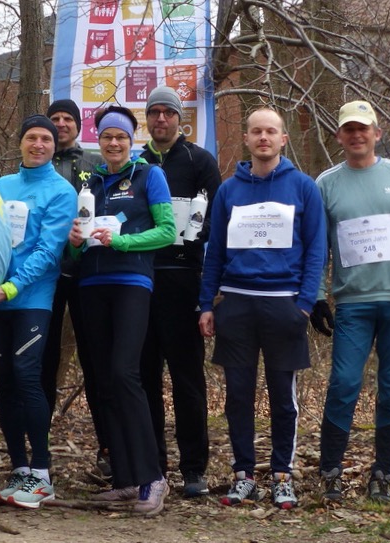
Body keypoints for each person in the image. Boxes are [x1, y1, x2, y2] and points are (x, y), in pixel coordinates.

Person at [198, 107, 326, 510]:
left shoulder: (303, 187)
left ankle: (282, 475)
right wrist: (206, 303)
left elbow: (317, 248)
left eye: (271, 131)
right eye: (256, 131)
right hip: (235, 303)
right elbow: (214, 250)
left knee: (283, 398)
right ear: (247, 138)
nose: (263, 138)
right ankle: (243, 474)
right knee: (237, 395)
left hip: (284, 304)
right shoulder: (228, 191)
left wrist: (305, 304)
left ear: (283, 139)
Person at [313, 100, 390, 504]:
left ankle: (383, 472)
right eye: (348, 129)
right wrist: (316, 296)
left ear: (377, 134)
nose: (356, 135)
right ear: (339, 137)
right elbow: (317, 247)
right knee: (345, 383)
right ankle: (330, 470)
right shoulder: (325, 183)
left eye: (363, 128)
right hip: (353, 302)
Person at [70, 105, 175, 516]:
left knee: (125, 374)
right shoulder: (91, 182)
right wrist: (76, 241)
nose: (114, 143)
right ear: (99, 141)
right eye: (108, 137)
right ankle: (126, 480)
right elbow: (76, 246)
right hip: (92, 285)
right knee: (103, 381)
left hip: (132, 283)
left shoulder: (150, 175)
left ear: (133, 142)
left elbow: (167, 231)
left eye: (122, 138)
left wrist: (125, 243)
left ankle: (154, 477)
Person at [0, 115, 76, 509]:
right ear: (20, 143)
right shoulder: (0, 186)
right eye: (31, 137)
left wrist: (11, 287)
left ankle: (43, 473)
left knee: (26, 375)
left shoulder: (61, 191)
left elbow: (49, 251)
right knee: (4, 380)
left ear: (54, 146)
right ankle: (19, 468)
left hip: (31, 298)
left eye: (46, 139)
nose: (38, 144)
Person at [138, 86, 220, 498]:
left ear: (179, 118)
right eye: (154, 113)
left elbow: (215, 220)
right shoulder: (137, 163)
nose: (161, 119)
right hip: (141, 281)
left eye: (167, 112)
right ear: (147, 120)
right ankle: (153, 466)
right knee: (145, 377)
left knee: (187, 379)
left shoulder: (200, 161)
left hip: (184, 279)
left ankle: (193, 469)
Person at [43, 99, 110, 477]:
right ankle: (40, 453)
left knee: (96, 362)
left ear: (78, 125)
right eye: (56, 119)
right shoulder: (39, 164)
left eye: (68, 118)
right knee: (44, 365)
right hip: (47, 276)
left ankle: (107, 449)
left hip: (88, 275)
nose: (62, 124)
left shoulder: (93, 166)